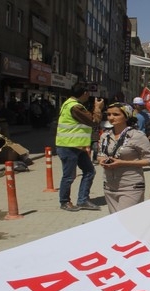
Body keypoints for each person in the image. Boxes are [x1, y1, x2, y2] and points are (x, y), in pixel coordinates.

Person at [97, 102, 150, 213]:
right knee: (115, 222)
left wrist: (122, 163)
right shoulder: (105, 135)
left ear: (126, 115)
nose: (111, 117)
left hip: (131, 186)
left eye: (116, 114)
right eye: (109, 114)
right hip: (109, 186)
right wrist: (102, 160)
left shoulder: (136, 135)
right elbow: (100, 155)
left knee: (126, 220)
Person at [55, 82, 104, 212]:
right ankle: (65, 201)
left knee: (89, 171)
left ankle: (83, 200)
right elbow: (94, 121)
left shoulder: (70, 104)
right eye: (88, 92)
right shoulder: (75, 107)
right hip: (68, 147)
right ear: (84, 93)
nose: (89, 95)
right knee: (69, 176)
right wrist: (98, 108)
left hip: (77, 147)